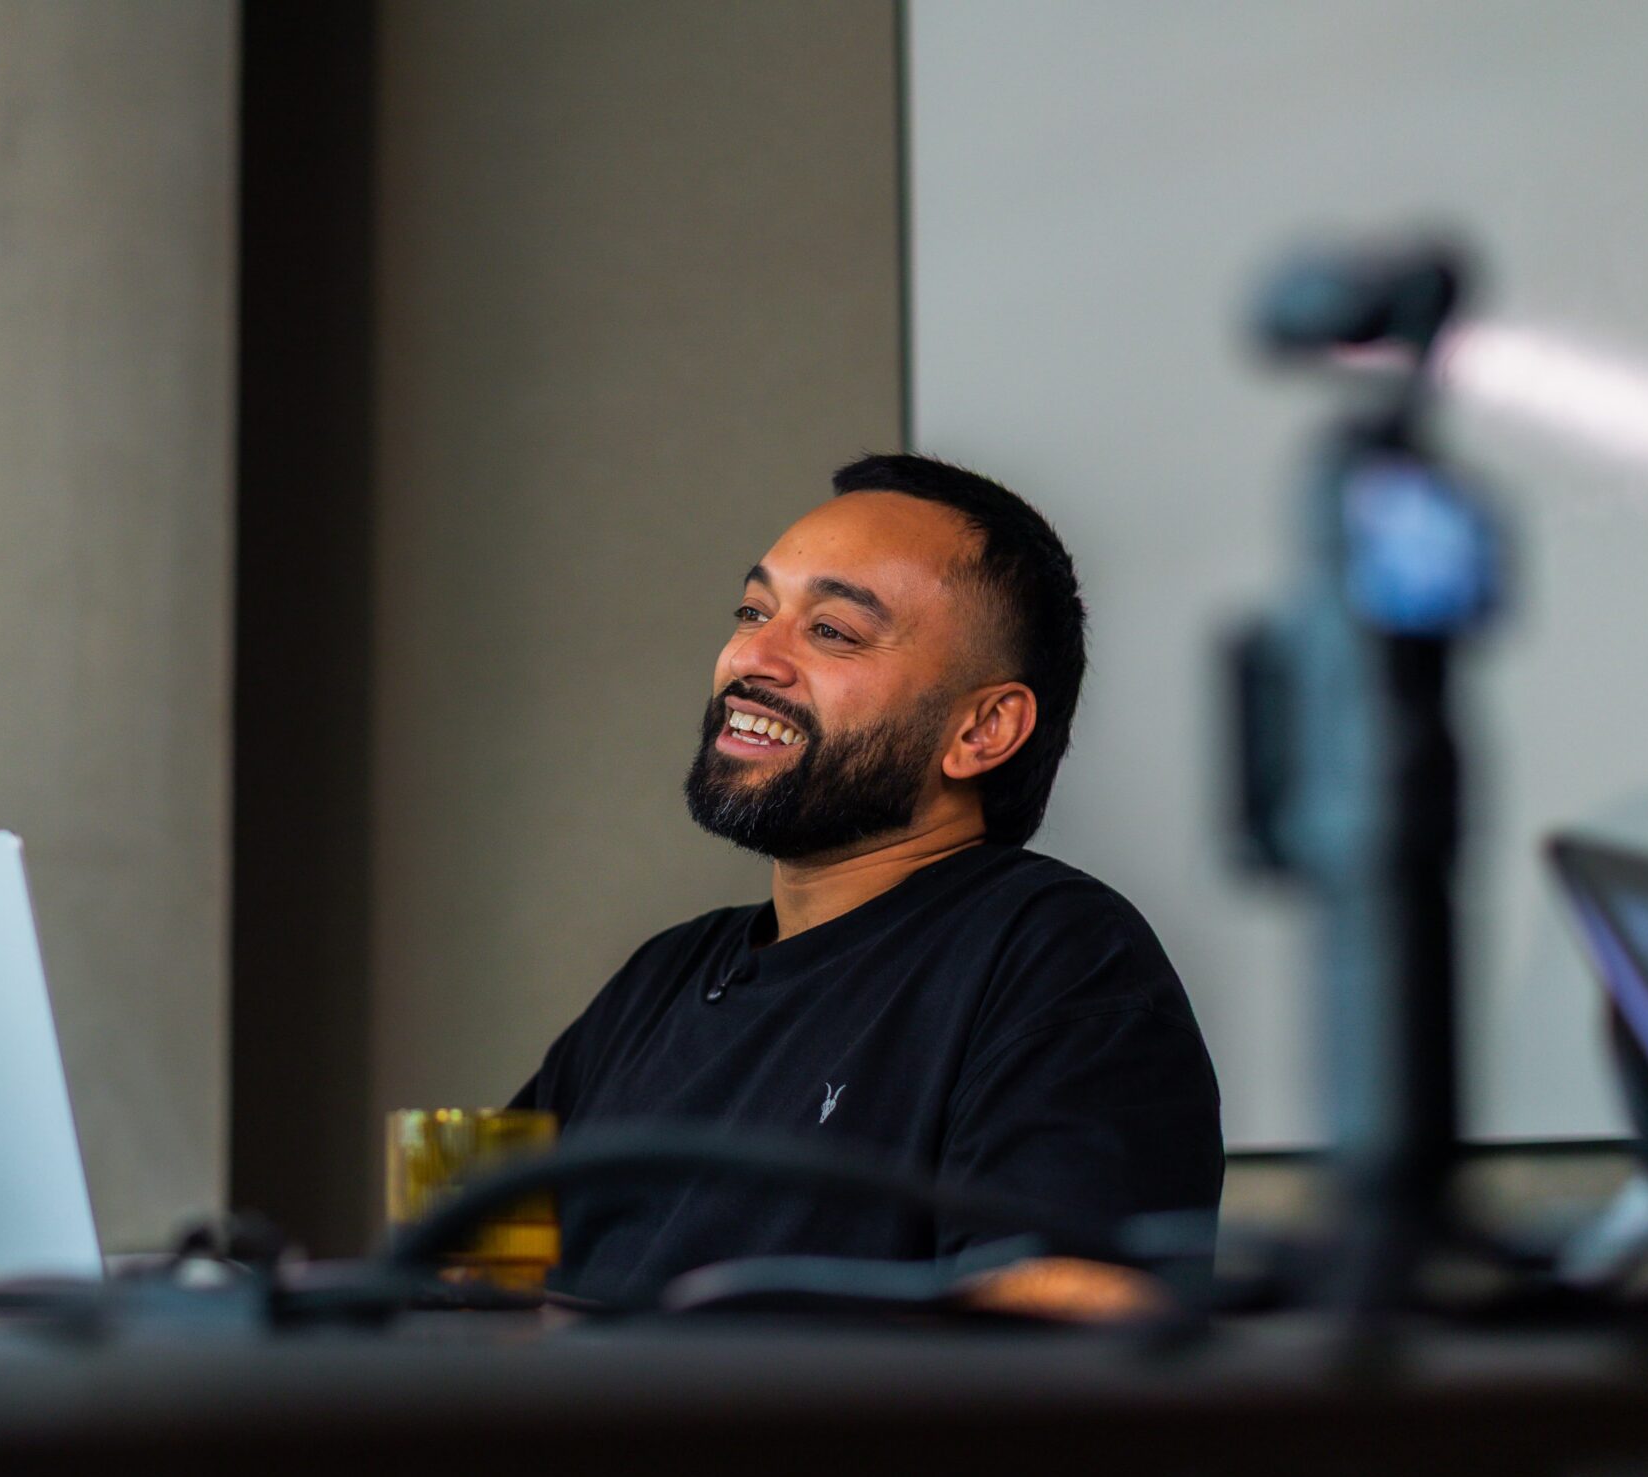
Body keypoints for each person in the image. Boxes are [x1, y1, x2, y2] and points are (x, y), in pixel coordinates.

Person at [515, 452, 1223, 1305]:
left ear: (982, 729)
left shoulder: (1057, 959)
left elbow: (1064, 1362)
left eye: (832, 632)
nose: (753, 658)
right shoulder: (658, 981)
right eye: (752, 610)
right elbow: (458, 1287)